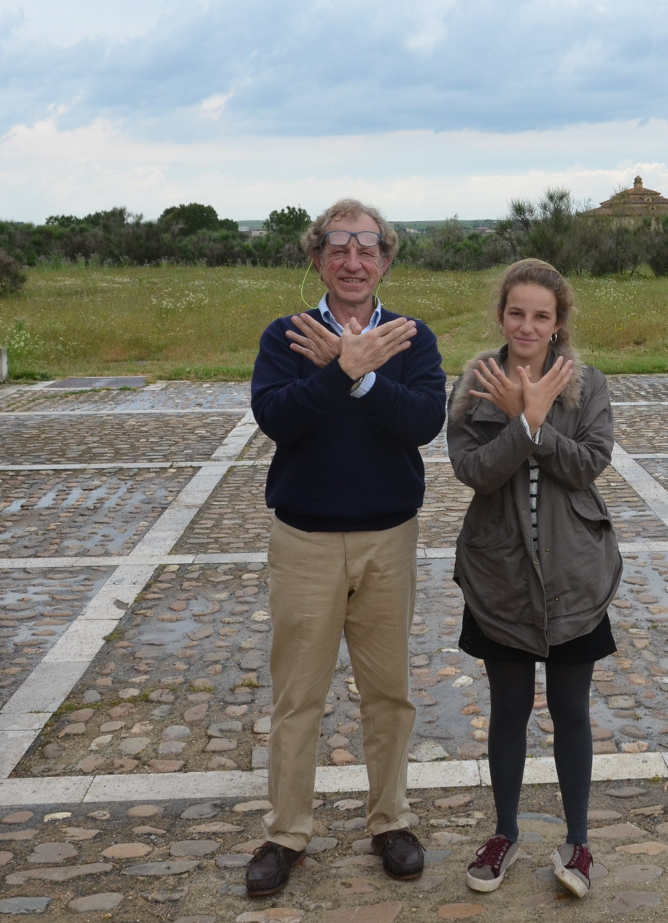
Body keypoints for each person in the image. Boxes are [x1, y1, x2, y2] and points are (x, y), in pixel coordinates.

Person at [247, 198, 447, 898]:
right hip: (303, 539)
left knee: (389, 693)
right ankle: (285, 833)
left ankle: (390, 820)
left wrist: (361, 375)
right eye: (339, 247)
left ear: (386, 259)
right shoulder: (287, 336)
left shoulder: (412, 339)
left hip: (388, 538)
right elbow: (276, 417)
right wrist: (336, 372)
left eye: (367, 248)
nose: (353, 261)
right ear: (317, 258)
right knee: (297, 697)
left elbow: (424, 421)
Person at [447, 258, 623, 898]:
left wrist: (540, 421)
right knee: (508, 710)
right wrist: (520, 422)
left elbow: (588, 466)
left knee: (572, 710)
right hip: (499, 576)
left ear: (558, 324)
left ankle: (578, 844)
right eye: (516, 312)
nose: (527, 324)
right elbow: (474, 472)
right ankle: (503, 833)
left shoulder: (588, 384)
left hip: (575, 573)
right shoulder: (473, 384)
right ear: (501, 315)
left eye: (540, 316)